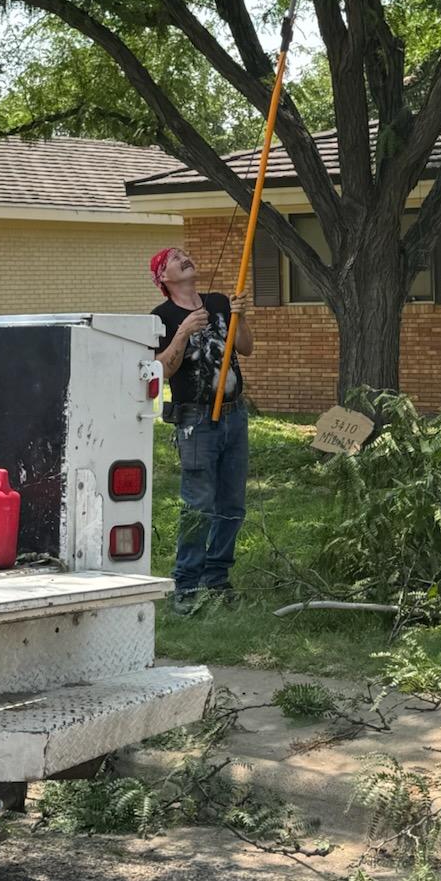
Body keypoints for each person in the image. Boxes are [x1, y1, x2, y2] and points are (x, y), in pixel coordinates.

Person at [150, 246, 253, 614]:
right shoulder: (161, 317)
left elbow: (246, 348)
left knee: (232, 504)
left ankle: (217, 579)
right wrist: (182, 334)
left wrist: (240, 317)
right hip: (195, 420)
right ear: (164, 278)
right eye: (175, 259)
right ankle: (186, 585)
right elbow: (160, 371)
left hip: (234, 415)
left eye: (186, 254)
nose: (186, 258)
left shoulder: (219, 301)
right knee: (198, 506)